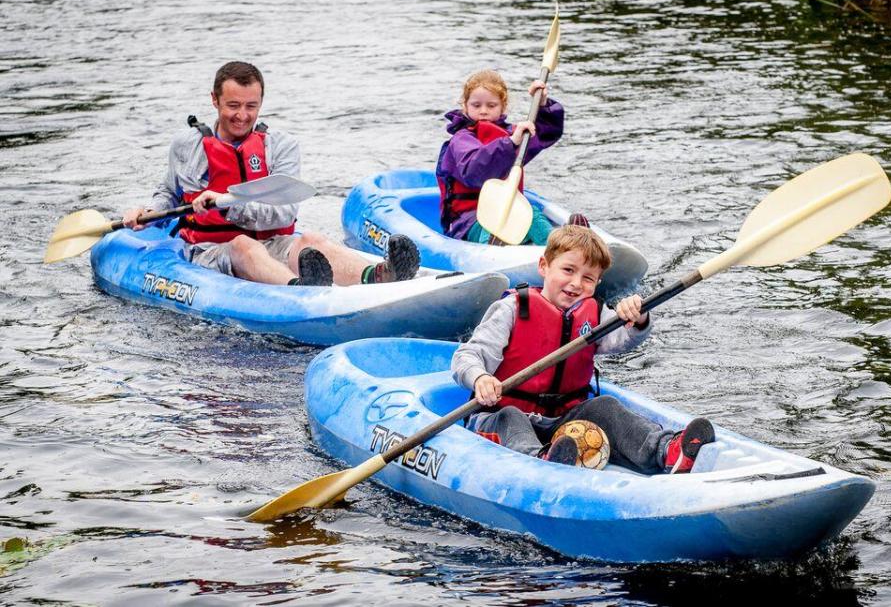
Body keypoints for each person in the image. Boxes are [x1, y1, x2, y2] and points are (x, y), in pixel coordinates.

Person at [122, 61, 420, 286]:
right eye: (233, 105)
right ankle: (297, 289)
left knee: (310, 240)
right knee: (243, 245)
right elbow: (169, 194)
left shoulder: (281, 146)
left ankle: (380, 275)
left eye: (251, 106)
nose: (242, 115)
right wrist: (148, 212)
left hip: (272, 240)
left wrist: (227, 205)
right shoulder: (186, 146)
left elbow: (284, 214)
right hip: (209, 249)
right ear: (215, 100)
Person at [451, 225, 715, 473]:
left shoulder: (595, 313)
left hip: (565, 422)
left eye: (588, 278)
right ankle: (540, 462)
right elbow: (467, 357)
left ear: (597, 283)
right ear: (544, 266)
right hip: (500, 416)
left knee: (606, 407)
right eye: (568, 270)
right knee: (512, 417)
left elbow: (624, 339)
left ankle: (667, 451)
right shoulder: (512, 309)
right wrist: (480, 377)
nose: (576, 283)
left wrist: (638, 317)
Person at [436, 69, 577, 246]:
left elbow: (546, 132)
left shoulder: (513, 134)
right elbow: (475, 171)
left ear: (503, 106)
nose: (483, 111)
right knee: (492, 222)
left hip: (508, 210)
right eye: (476, 105)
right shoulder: (461, 139)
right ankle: (495, 248)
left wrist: (543, 104)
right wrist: (510, 144)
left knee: (532, 214)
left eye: (491, 105)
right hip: (469, 221)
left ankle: (561, 246)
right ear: (465, 105)